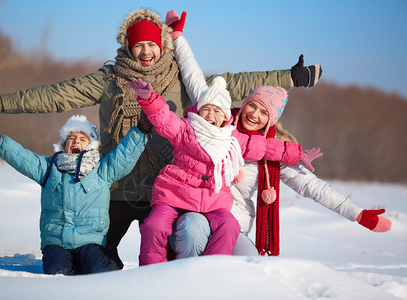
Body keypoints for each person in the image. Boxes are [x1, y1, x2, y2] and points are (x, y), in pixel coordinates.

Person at [0, 8, 323, 268]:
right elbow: (57, 94)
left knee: (167, 268)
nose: (147, 52)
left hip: (164, 191)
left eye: (153, 45)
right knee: (99, 267)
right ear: (128, 45)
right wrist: (1, 103)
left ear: (163, 45)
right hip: (116, 189)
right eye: (139, 46)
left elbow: (235, 83)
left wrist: (291, 76)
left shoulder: (180, 78)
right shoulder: (109, 79)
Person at [165, 10, 392, 258]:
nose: (254, 114)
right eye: (253, 105)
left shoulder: (271, 154)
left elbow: (314, 188)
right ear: (245, 104)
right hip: (195, 217)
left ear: (270, 121)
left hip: (234, 226)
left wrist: (359, 214)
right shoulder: (215, 120)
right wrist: (177, 37)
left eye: (264, 112)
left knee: (253, 271)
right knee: (191, 241)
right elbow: (193, 77)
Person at [128, 76, 320, 265]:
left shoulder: (231, 138)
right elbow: (164, 119)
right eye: (206, 109)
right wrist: (149, 99)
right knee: (154, 225)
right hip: (173, 196)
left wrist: (297, 153)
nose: (211, 115)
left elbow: (264, 147)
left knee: (230, 225)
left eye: (217, 111)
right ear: (199, 111)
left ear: (225, 116)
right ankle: (151, 272)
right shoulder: (185, 129)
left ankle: (213, 269)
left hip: (212, 201)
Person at [0, 108, 150, 275]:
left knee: (99, 271)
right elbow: (22, 158)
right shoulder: (49, 168)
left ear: (91, 146)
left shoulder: (101, 170)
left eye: (82, 138)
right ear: (64, 144)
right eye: (71, 138)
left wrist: (141, 129)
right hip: (57, 242)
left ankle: (108, 260)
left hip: (90, 242)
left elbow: (124, 156)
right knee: (57, 272)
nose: (76, 141)